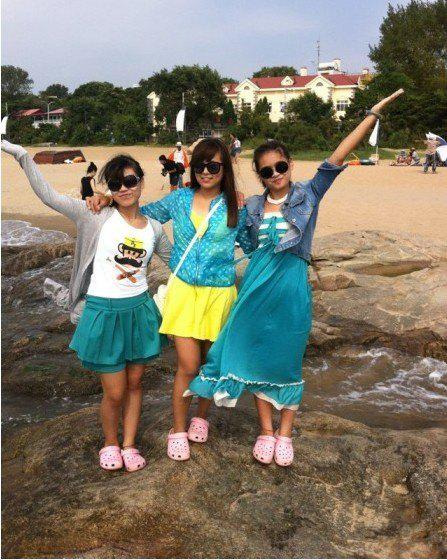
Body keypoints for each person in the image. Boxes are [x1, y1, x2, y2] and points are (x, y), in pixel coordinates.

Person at [187, 89, 405, 467]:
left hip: (291, 288)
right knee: (254, 357)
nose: (275, 175)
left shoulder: (309, 194)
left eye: (280, 167)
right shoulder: (252, 206)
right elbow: (211, 209)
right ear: (260, 175)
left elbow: (337, 157)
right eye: (266, 171)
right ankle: (265, 431)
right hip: (255, 290)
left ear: (289, 165)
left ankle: (285, 433)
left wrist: (371, 115)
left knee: (287, 360)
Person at [1, 140, 172, 473]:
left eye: (130, 180)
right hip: (102, 311)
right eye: (116, 184)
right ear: (109, 188)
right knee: (115, 390)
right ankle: (110, 442)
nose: (125, 188)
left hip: (139, 311)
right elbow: (48, 196)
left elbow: (179, 262)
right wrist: (22, 155)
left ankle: (129, 444)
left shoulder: (153, 228)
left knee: (135, 385)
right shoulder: (94, 215)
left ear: (141, 182)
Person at [86, 138, 253, 462]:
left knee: (211, 364)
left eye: (213, 166)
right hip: (184, 292)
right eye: (200, 165)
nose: (206, 171)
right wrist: (106, 198)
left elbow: (250, 243)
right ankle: (177, 429)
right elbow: (138, 214)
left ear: (225, 169)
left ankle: (201, 417)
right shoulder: (179, 199)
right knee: (188, 366)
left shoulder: (236, 205)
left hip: (220, 294)